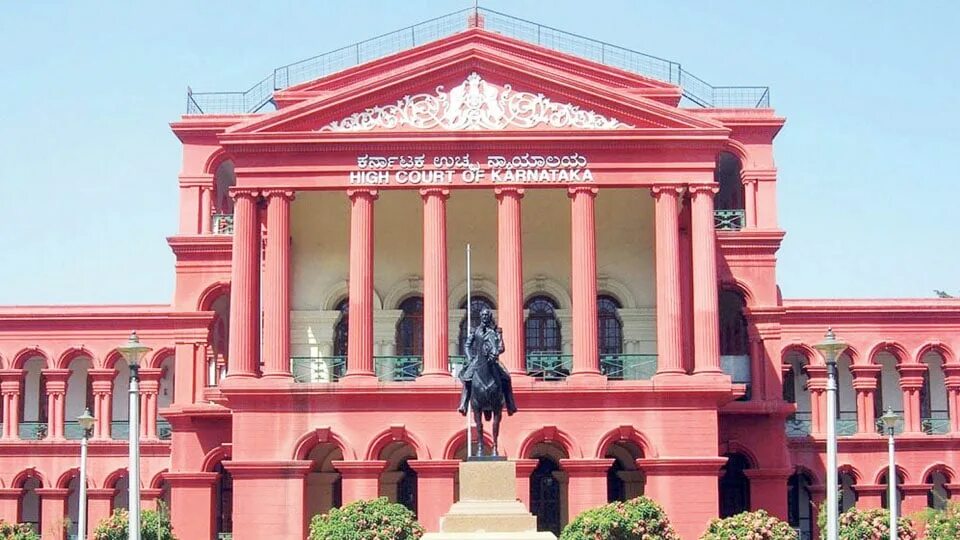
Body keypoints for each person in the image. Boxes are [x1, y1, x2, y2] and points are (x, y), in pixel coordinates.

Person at [458, 307, 518, 415]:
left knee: (506, 377)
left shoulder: (496, 331)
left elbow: (501, 347)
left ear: (490, 316)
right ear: (481, 317)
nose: (485, 317)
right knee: (467, 377)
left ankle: (510, 404)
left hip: (494, 359)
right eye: (483, 315)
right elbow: (467, 345)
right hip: (478, 359)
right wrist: (470, 357)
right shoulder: (475, 331)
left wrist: (495, 353)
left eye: (487, 315)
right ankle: (463, 404)